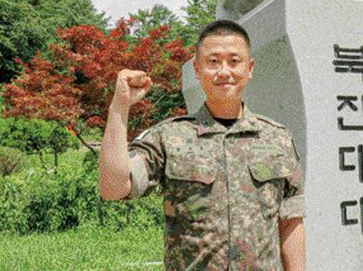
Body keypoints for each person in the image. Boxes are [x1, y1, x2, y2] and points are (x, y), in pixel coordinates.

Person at [99, 19, 305, 270]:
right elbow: (113, 187)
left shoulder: (278, 139)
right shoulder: (169, 137)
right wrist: (120, 107)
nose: (224, 71)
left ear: (250, 68)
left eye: (234, 61)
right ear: (197, 70)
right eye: (213, 62)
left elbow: (290, 221)